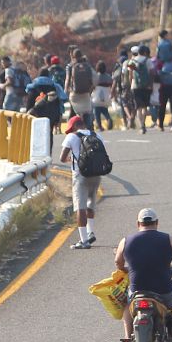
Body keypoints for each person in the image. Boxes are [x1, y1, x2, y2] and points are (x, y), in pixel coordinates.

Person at [114, 208, 172, 342]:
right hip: (164, 292)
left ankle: (127, 338)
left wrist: (126, 269)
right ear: (156, 223)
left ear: (138, 223)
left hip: (137, 291)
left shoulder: (125, 241)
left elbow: (118, 262)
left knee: (126, 302)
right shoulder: (167, 239)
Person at [59, 115, 106, 250]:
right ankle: (91, 232)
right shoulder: (96, 134)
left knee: (80, 207)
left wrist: (72, 160)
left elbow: (62, 158)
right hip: (96, 173)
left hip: (80, 175)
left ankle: (84, 240)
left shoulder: (72, 137)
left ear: (74, 126)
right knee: (91, 202)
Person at [64, 51, 96, 130]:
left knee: (78, 113)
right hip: (85, 93)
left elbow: (67, 79)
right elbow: (93, 80)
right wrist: (90, 91)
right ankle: (89, 130)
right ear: (82, 55)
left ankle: (79, 129)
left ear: (73, 56)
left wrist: (66, 90)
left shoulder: (71, 66)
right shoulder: (87, 66)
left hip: (74, 93)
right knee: (87, 112)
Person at [92, 61, 114, 131]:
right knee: (105, 111)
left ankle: (100, 126)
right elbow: (112, 84)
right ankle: (109, 119)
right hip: (106, 97)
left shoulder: (96, 76)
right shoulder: (108, 76)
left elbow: (93, 86)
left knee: (96, 112)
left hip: (97, 97)